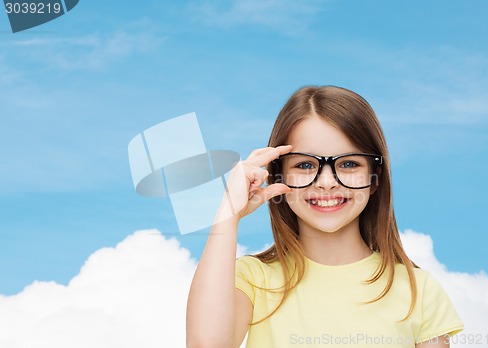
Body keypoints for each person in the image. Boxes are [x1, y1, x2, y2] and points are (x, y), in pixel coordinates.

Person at [186, 86, 464, 348]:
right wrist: (228, 214)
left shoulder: (419, 290)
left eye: (349, 164)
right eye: (306, 165)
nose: (327, 182)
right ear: (278, 175)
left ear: (374, 178)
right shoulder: (252, 278)